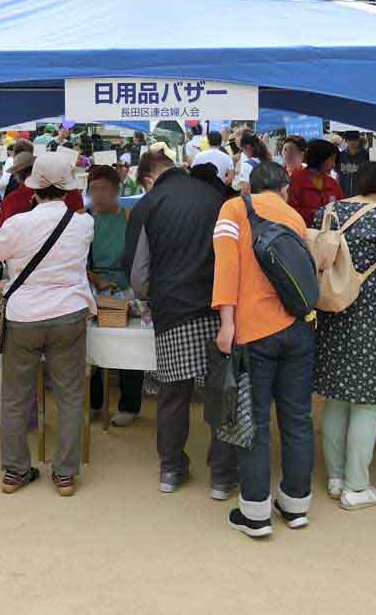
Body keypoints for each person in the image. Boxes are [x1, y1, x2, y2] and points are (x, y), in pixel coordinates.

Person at [0, 154, 95, 497]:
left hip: (24, 318)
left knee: (15, 398)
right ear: (69, 186)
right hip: (69, 314)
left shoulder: (19, 224)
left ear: (34, 187)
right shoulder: (84, 224)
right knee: (70, 396)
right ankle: (65, 475)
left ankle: (15, 472)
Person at [122, 149, 238, 498]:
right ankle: (221, 476)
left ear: (147, 178)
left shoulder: (148, 204)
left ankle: (171, 469)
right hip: (219, 309)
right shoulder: (217, 197)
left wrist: (152, 298)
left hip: (172, 310)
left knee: (173, 394)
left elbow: (138, 274)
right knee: (222, 393)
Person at [211, 161, 314, 537]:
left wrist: (226, 322)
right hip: (298, 329)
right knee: (297, 418)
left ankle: (255, 513)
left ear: (249, 187)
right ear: (285, 188)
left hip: (253, 332)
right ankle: (296, 504)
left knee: (251, 422)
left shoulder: (234, 209)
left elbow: (226, 267)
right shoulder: (295, 217)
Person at [311, 162, 376, 511]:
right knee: (367, 403)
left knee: (336, 399)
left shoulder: (326, 212)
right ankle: (357, 487)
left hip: (330, 315)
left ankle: (336, 478)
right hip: (370, 321)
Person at [85, 165, 143, 428]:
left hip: (127, 288)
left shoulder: (129, 218)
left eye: (105, 189)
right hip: (93, 288)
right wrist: (97, 280)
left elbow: (140, 257)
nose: (99, 195)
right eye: (94, 189)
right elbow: (77, 260)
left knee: (128, 343)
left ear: (116, 190)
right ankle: (94, 402)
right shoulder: (83, 220)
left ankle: (129, 405)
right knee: (92, 344)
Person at [0, 152, 84, 225]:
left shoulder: (11, 199)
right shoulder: (70, 189)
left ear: (18, 174)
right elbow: (80, 213)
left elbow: (2, 234)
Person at [288, 138, 345, 227]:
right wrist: (314, 213)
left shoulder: (333, 184)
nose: (333, 165)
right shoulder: (295, 181)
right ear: (319, 158)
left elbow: (342, 208)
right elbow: (289, 210)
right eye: (331, 160)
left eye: (334, 161)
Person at [336, 131, 371, 198]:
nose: (353, 142)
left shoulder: (366, 155)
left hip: (361, 194)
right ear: (346, 140)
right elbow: (338, 174)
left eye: (355, 139)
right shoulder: (340, 156)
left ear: (358, 140)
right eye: (350, 140)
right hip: (343, 194)